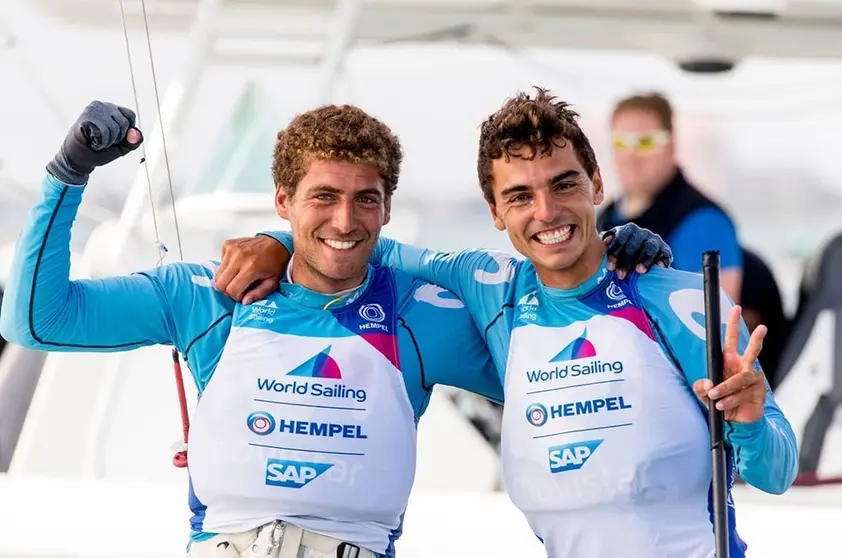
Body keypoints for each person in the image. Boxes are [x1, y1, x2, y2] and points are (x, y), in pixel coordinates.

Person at [0, 100, 667, 558]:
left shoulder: (417, 311)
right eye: (323, 197)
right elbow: (36, 319)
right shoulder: (209, 295)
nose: (345, 221)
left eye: (365, 200)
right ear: (284, 200)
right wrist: (69, 172)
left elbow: (559, 372)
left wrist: (609, 264)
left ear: (385, 209)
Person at [216, 87, 799, 558]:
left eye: (564, 184)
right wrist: (272, 240)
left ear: (597, 184)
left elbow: (776, 472)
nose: (546, 212)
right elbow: (358, 244)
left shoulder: (677, 298)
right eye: (520, 195)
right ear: (496, 213)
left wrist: (747, 422)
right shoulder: (489, 284)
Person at [598, 92, 790, 383]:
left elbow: (712, 330)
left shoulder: (704, 221)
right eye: (621, 143)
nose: (631, 156)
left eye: (646, 142)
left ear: (671, 146)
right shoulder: (607, 218)